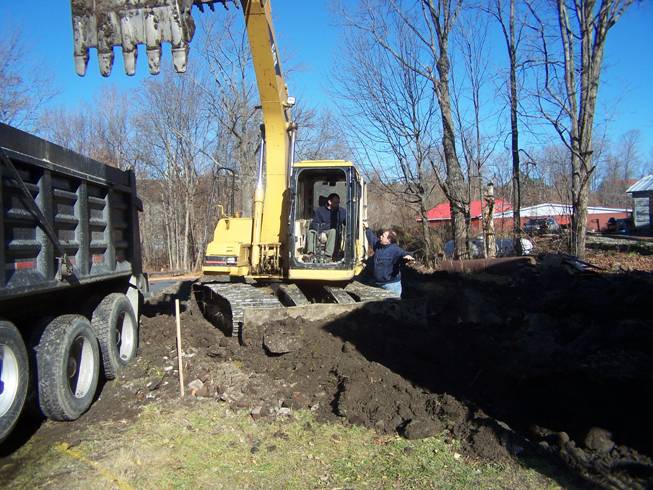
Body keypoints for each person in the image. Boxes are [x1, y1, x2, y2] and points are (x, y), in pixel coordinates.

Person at [363, 224, 414, 297]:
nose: (380, 237)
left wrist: (408, 256)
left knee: (394, 306)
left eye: (383, 236)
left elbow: (403, 253)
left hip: (391, 286)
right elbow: (372, 238)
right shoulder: (378, 246)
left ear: (389, 240)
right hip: (378, 285)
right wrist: (367, 229)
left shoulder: (395, 249)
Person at [306, 193, 346, 260]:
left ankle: (328, 255)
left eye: (338, 202)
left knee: (333, 231)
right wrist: (321, 233)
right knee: (311, 232)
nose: (337, 204)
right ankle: (311, 254)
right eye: (335, 202)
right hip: (320, 231)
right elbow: (315, 224)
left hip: (333, 232)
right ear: (329, 202)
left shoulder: (342, 212)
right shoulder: (319, 211)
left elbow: (347, 223)